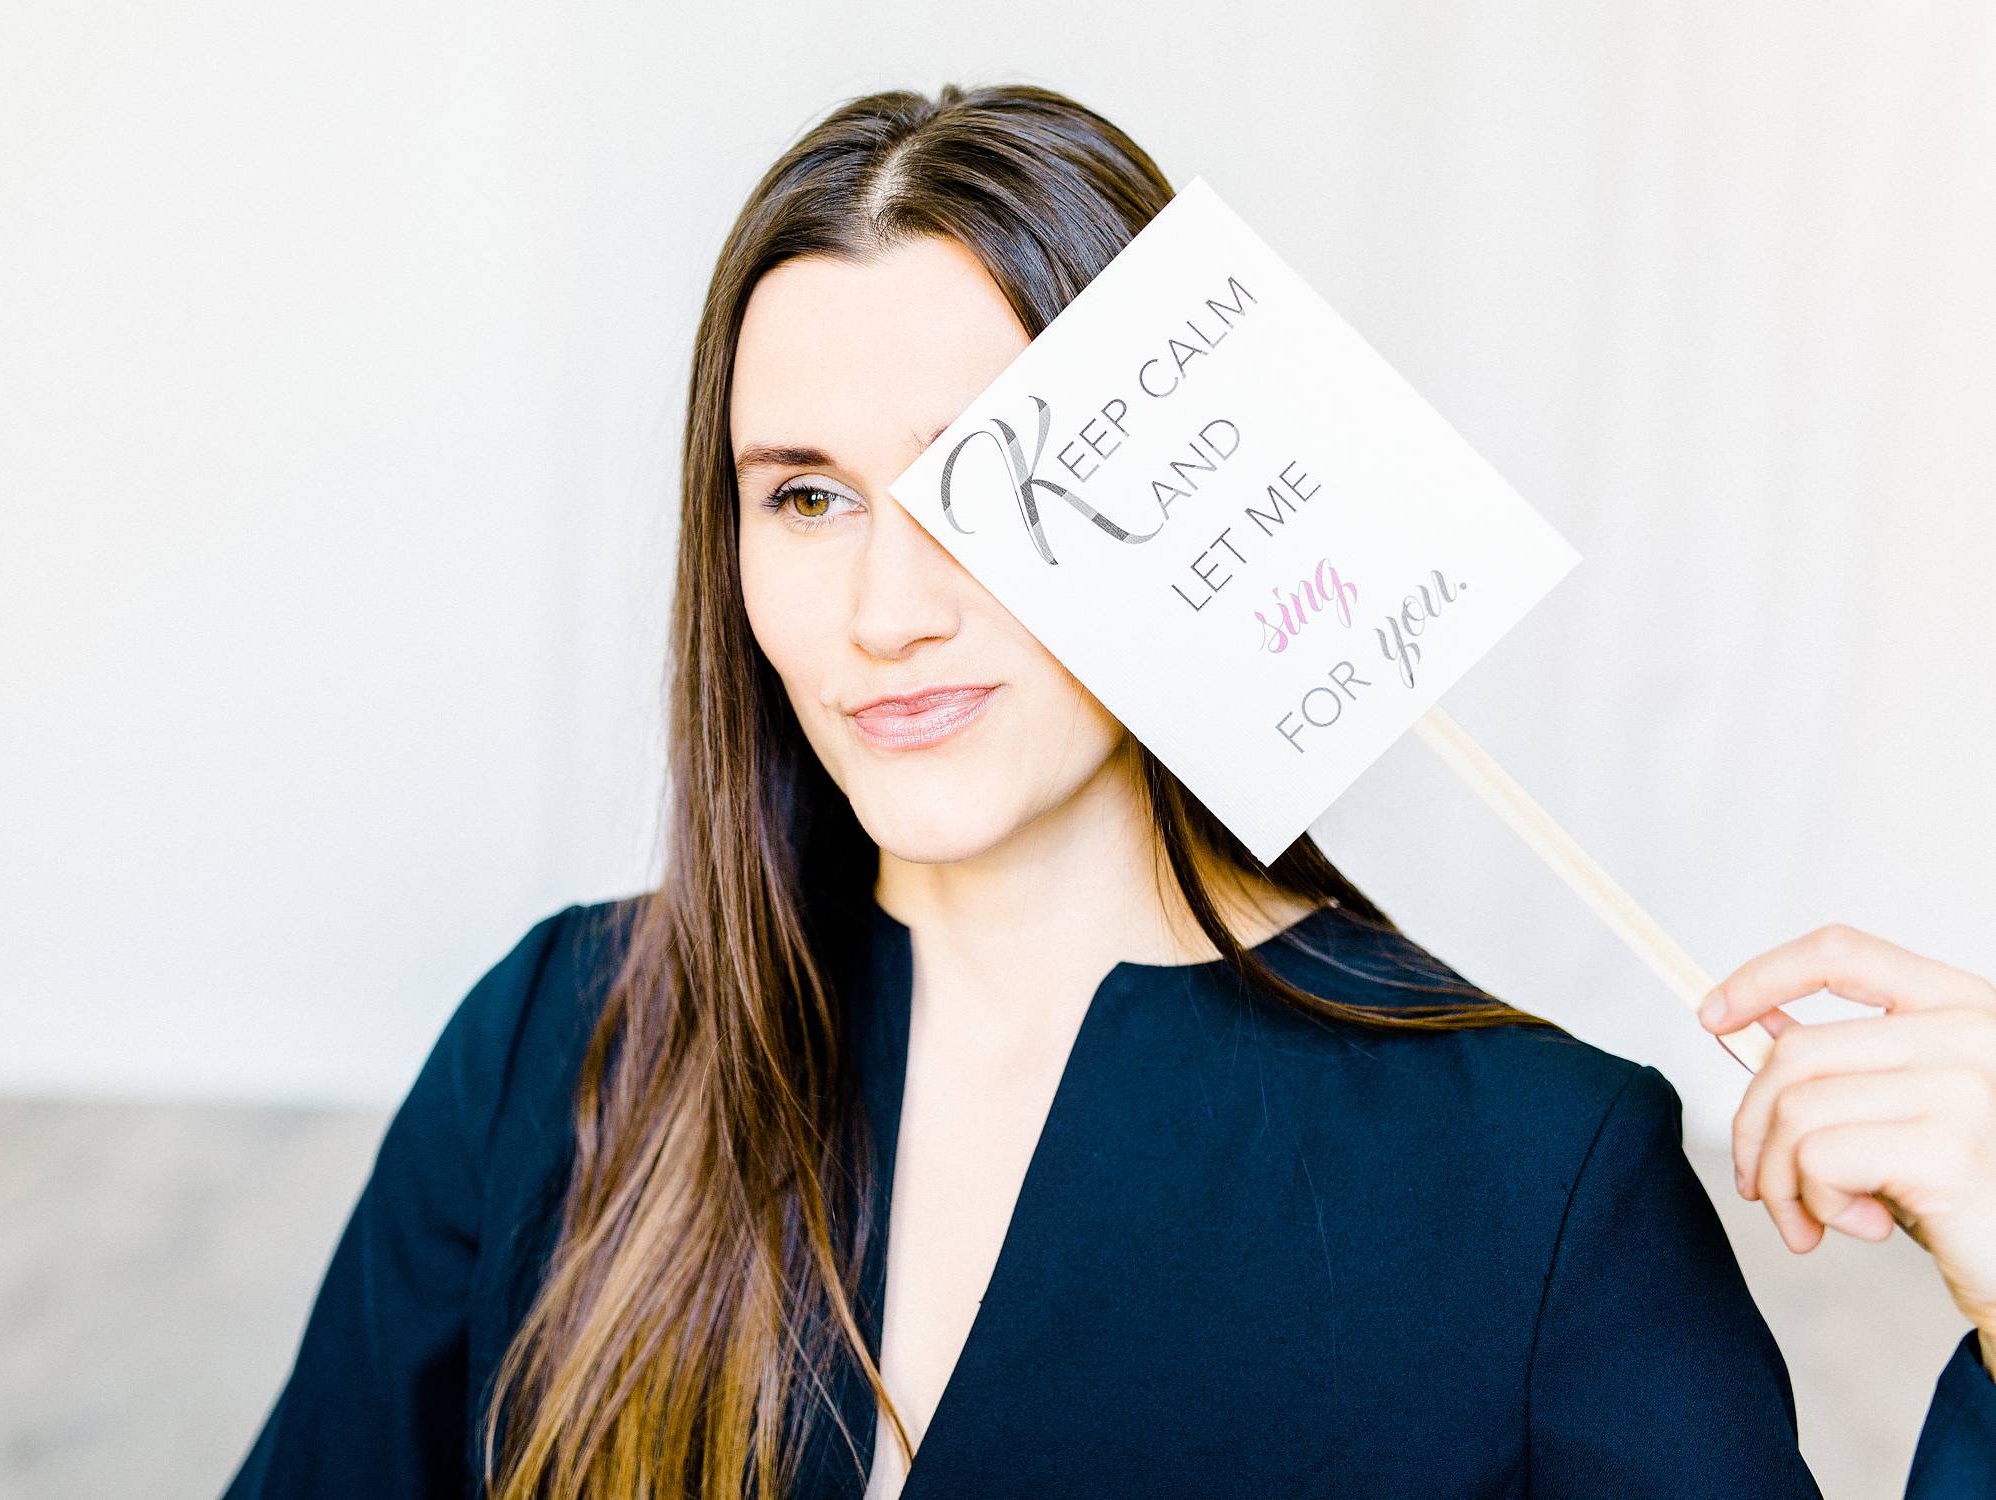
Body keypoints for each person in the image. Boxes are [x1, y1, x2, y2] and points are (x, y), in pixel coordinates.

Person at [222, 82, 1996, 1499]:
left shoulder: (1531, 1175)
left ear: (1184, 511)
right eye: (806, 497)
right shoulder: (560, 1042)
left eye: (972, 490)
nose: (885, 613)